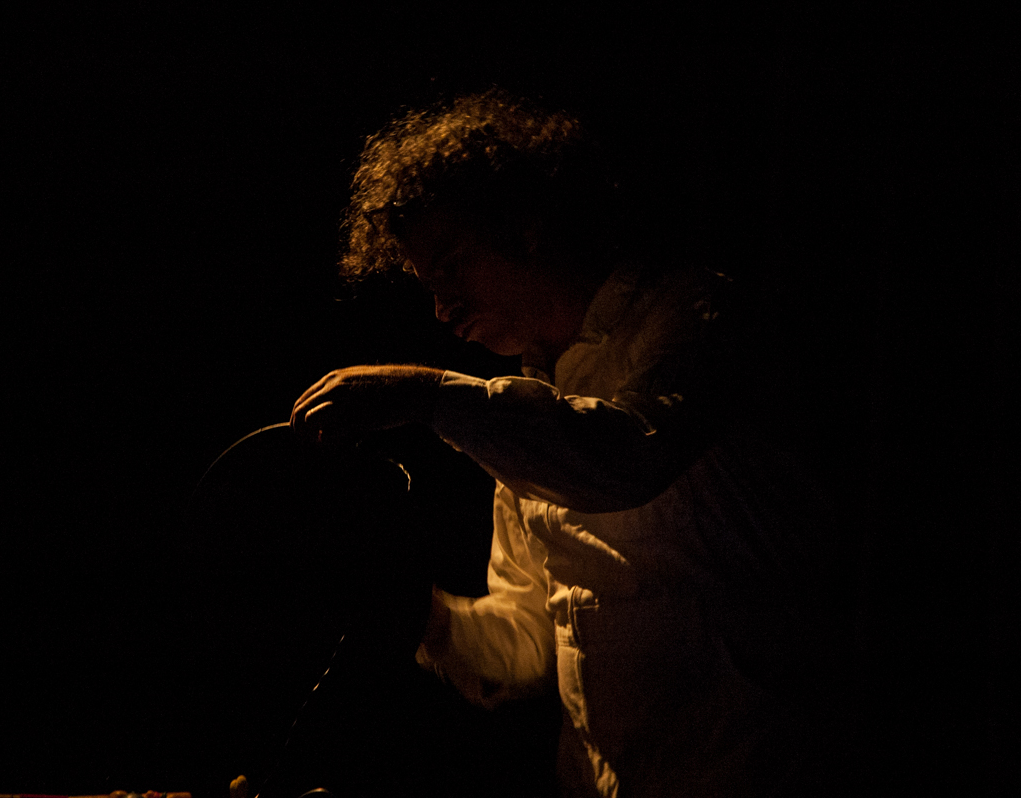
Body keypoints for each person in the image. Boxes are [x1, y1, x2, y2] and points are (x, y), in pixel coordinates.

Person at [290, 91, 837, 797]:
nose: (441, 307)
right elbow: (527, 642)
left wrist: (428, 393)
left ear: (526, 225)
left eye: (452, 264)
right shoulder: (525, 419)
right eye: (428, 284)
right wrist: (417, 612)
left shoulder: (697, 316)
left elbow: (627, 454)